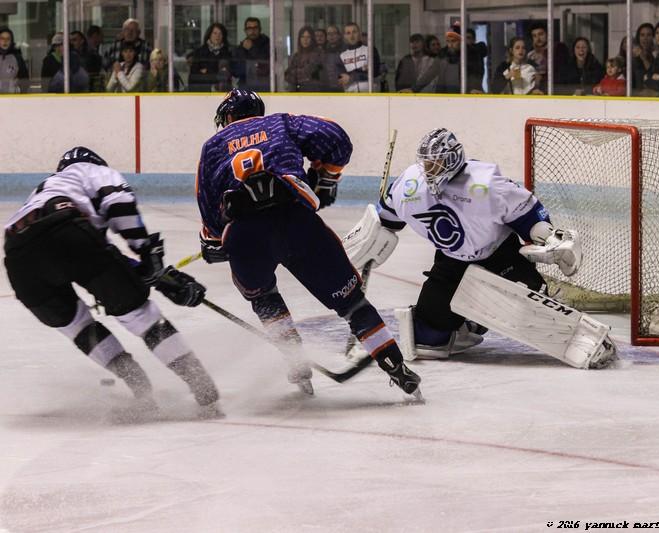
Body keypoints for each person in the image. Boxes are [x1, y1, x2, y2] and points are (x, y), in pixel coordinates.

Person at [195, 89, 422, 397]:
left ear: (229, 115)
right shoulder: (280, 123)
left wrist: (213, 242)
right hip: (296, 221)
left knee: (264, 297)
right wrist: (325, 177)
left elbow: (209, 211)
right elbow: (336, 138)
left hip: (245, 236)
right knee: (351, 302)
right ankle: (396, 366)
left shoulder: (212, 147)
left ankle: (296, 362)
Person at [350, 128, 614, 368]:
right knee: (427, 340)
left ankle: (582, 333)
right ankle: (472, 321)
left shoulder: (485, 183)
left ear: (453, 159)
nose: (430, 170)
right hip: (451, 262)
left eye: (436, 163)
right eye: (427, 164)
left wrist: (549, 238)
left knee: (537, 314)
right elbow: (387, 220)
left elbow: (530, 217)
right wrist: (371, 239)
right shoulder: (408, 185)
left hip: (500, 257)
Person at [3, 147, 219, 418]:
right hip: (68, 234)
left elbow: (97, 252)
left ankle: (140, 390)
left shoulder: (45, 189)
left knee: (78, 327)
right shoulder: (93, 171)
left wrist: (145, 271)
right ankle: (202, 387)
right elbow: (117, 205)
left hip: (19, 261)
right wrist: (147, 255)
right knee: (139, 315)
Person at [336, 22, 380, 92]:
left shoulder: (370, 50)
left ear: (359, 34)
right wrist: (363, 69)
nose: (352, 36)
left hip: (370, 94)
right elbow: (342, 78)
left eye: (354, 32)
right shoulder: (341, 55)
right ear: (345, 36)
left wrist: (351, 77)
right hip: (351, 95)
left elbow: (374, 72)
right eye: (348, 33)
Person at [188, 23, 233, 92]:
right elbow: (194, 76)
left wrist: (206, 72)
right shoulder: (199, 52)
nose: (217, 36)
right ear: (209, 35)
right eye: (215, 33)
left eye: (220, 34)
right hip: (203, 91)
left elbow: (227, 74)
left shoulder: (227, 53)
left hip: (223, 91)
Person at [232, 17, 270, 91]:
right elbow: (236, 71)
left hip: (264, 87)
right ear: (245, 30)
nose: (252, 31)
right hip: (245, 87)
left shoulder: (268, 44)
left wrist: (252, 49)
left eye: (255, 28)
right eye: (249, 28)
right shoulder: (240, 48)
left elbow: (266, 65)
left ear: (260, 29)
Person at [284, 26, 325, 92]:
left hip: (314, 92)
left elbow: (310, 73)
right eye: (302, 37)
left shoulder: (319, 54)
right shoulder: (296, 56)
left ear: (312, 39)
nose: (305, 40)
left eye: (308, 37)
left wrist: (297, 73)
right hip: (298, 92)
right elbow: (287, 75)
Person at [0, 27, 29, 93]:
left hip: (12, 97)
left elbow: (25, 80)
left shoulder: (17, 58)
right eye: (2, 38)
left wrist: (20, 91)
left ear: (11, 41)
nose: (5, 41)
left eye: (8, 39)